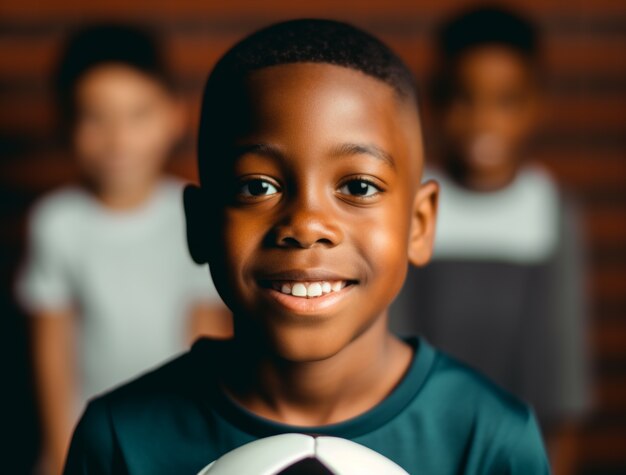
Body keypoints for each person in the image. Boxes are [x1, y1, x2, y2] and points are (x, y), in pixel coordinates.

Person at [62, 19, 550, 474]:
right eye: (257, 186)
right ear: (200, 225)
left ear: (419, 225)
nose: (306, 225)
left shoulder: (491, 439)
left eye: (357, 187)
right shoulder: (119, 438)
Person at [15, 24, 231, 474]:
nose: (118, 138)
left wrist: (209, 434)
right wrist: (60, 448)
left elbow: (205, 333)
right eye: (96, 117)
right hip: (84, 429)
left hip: (176, 423)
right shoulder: (57, 222)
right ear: (68, 123)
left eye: (138, 114)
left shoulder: (189, 211)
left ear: (174, 114)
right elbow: (53, 350)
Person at [389, 7, 590, 475]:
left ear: (537, 105)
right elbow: (393, 345)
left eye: (506, 101)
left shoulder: (550, 209)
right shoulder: (413, 202)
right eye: (464, 98)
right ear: (436, 104)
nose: (483, 120)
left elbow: (563, 379)